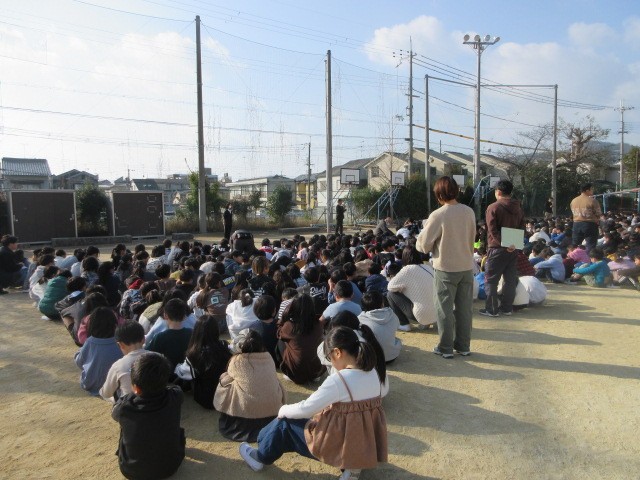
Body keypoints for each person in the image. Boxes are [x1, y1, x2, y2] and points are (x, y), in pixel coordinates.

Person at [239, 325, 388, 480]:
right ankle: (352, 467)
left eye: (329, 358)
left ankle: (260, 457)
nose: (330, 363)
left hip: (340, 443)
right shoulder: (373, 372)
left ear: (337, 352)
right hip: (362, 442)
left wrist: (283, 410)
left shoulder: (339, 380)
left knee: (284, 424)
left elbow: (306, 409)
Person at [416, 176, 476, 359]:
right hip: (466, 266)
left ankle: (445, 347)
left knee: (444, 309)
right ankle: (464, 346)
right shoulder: (469, 211)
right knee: (464, 309)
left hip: (446, 269)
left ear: (439, 194)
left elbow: (423, 246)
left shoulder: (438, 215)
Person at [111, 353, 186, 480]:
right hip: (170, 467)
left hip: (132, 471)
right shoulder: (176, 395)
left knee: (124, 430)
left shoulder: (124, 406)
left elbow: (115, 416)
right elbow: (175, 390)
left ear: (136, 388)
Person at [214, 329, 286, 442]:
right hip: (272, 412)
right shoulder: (268, 357)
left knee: (225, 379)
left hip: (242, 419)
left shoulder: (236, 360)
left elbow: (229, 378)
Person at [481, 179, 525, 317]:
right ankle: (507, 308)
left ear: (498, 192)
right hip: (513, 248)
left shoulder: (493, 207)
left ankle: (491, 309)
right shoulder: (518, 208)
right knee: (510, 279)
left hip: (497, 248)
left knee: (491, 279)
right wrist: (513, 245)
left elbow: (492, 230)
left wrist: (504, 243)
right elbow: (522, 228)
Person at [176, 314, 232, 409]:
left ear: (196, 332)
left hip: (207, 399)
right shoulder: (225, 345)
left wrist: (177, 367)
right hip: (227, 395)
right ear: (216, 330)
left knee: (188, 373)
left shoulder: (194, 353)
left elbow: (183, 373)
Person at [74, 307, 123, 395]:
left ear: (92, 325)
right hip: (114, 386)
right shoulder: (120, 342)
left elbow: (79, 362)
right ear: (114, 323)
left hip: (90, 384)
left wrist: (79, 353)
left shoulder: (90, 342)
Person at [277, 294, 325, 384]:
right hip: (316, 371)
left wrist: (285, 314)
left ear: (293, 308)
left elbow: (278, 332)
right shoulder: (318, 324)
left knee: (281, 340)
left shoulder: (289, 326)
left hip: (295, 373)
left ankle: (289, 369)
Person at [386, 246, 435, 331]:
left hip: (421, 313)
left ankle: (404, 324)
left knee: (390, 294)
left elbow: (390, 287)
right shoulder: (427, 267)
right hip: (437, 311)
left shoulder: (407, 270)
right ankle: (426, 321)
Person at [100, 321, 147, 402]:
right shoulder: (159, 357)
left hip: (132, 406)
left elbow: (106, 393)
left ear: (120, 344)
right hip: (160, 404)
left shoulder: (118, 365)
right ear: (143, 339)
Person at [145, 298, 193, 370]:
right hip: (188, 373)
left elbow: (146, 354)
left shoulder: (160, 337)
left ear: (165, 315)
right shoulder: (192, 334)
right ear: (184, 316)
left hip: (167, 375)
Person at [358, 291, 401, 363]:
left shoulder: (360, 319)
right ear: (382, 303)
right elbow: (397, 326)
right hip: (392, 355)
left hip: (372, 359)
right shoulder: (392, 314)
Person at [570, 183, 602, 253]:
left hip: (576, 224)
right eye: (591, 189)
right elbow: (598, 213)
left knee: (575, 245)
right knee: (591, 245)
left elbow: (573, 212)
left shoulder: (573, 201)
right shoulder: (592, 201)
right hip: (590, 224)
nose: (592, 191)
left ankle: (572, 257)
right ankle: (589, 258)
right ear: (587, 190)